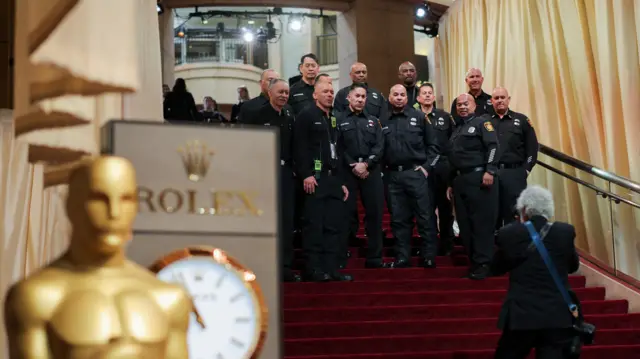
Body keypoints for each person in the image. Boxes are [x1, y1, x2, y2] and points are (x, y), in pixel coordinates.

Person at [3, 157, 193, 358]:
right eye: (98, 199)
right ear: (71, 206)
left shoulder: (169, 299)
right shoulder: (37, 298)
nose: (114, 212)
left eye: (126, 199)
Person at [491, 185, 580, 359]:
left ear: (524, 209)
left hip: (522, 316)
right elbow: (572, 267)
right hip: (556, 316)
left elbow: (496, 268)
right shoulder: (564, 232)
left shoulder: (509, 233)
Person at [293, 80, 352, 282]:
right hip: (314, 180)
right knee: (314, 226)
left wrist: (342, 181)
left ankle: (332, 269)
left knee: (333, 227)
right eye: (325, 91)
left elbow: (339, 150)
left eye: (331, 91)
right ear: (315, 95)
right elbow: (299, 148)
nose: (329, 94)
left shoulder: (334, 118)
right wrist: (306, 174)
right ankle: (314, 269)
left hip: (333, 180)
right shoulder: (306, 116)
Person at [381, 84, 440, 268]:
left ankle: (429, 256)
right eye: (395, 94)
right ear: (390, 97)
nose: (399, 97)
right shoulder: (382, 120)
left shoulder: (420, 117)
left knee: (424, 217)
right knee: (398, 219)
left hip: (416, 174)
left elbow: (435, 148)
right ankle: (402, 257)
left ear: (407, 98)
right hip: (392, 177)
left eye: (402, 95)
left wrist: (426, 168)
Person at [447, 93, 500, 280]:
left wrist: (490, 171)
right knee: (465, 224)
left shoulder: (482, 123)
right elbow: (454, 158)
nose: (462, 107)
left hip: (480, 178)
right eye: (459, 104)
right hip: (461, 181)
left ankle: (484, 263)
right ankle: (475, 263)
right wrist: (451, 182)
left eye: (466, 103)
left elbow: (493, 147)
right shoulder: (457, 129)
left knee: (481, 224)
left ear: (474, 106)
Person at [253, 79, 300, 282]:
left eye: (287, 93)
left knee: (287, 221)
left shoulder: (290, 114)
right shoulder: (257, 116)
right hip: (264, 173)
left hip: (286, 173)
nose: (284, 96)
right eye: (280, 92)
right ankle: (265, 266)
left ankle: (285, 267)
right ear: (270, 92)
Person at [336, 83, 386, 268]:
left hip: (370, 171)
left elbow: (380, 146)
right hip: (347, 172)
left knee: (375, 214)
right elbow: (338, 146)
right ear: (348, 98)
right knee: (345, 214)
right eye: (357, 96)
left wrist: (366, 164)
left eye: (363, 97)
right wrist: (353, 164)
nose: (360, 99)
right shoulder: (339, 119)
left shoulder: (374, 121)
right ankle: (342, 257)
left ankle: (375, 258)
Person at [490, 87, 539, 227]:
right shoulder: (484, 121)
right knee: (493, 214)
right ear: (491, 101)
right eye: (496, 98)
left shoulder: (522, 120)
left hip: (514, 173)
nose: (500, 101)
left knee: (514, 214)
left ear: (508, 99)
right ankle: (495, 246)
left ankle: (512, 247)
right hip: (491, 173)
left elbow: (532, 148)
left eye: (502, 97)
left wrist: (526, 170)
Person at [416, 83, 456, 255]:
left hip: (442, 168)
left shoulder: (445, 117)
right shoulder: (413, 116)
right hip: (422, 168)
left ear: (433, 97)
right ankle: (429, 245)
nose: (426, 96)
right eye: (423, 93)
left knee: (445, 209)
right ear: (418, 98)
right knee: (426, 210)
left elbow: (453, 142)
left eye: (429, 93)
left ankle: (447, 245)